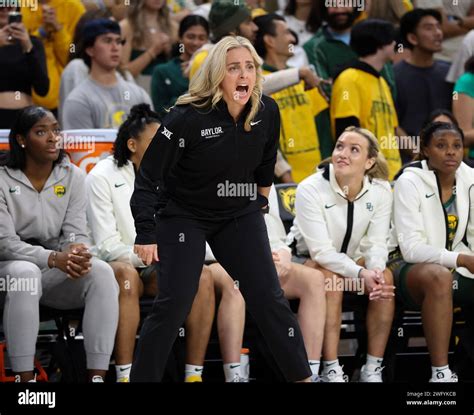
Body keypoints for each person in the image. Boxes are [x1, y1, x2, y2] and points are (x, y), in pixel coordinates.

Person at [130, 35, 312, 382]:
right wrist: (145, 230)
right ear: (217, 76)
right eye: (233, 68)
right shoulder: (185, 118)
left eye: (249, 67)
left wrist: (258, 202)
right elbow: (148, 178)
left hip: (237, 213)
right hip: (184, 214)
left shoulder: (266, 111)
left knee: (269, 299)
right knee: (174, 303)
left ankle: (303, 378)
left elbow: (266, 163)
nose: (243, 75)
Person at [86, 103, 245, 382]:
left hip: (161, 262)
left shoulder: (177, 171)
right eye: (157, 141)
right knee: (127, 278)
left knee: (203, 275)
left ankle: (193, 374)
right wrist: (151, 252)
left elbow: (195, 229)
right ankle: (125, 374)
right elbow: (106, 244)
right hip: (118, 263)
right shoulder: (100, 176)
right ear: (132, 145)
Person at [0, 106, 119, 382]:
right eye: (41, 132)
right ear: (21, 140)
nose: (53, 138)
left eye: (55, 130)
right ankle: (25, 380)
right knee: (25, 273)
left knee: (101, 272)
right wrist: (54, 258)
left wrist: (76, 251)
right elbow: (5, 244)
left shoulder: (74, 176)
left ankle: (97, 376)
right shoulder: (3, 178)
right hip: (8, 273)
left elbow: (75, 232)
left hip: (51, 273)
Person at [288, 127, 395, 382]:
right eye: (339, 146)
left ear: (369, 162)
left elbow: (377, 242)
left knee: (386, 279)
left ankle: (372, 369)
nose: (343, 154)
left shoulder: (380, 191)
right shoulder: (310, 188)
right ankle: (331, 368)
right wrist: (360, 272)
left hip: (351, 262)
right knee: (330, 277)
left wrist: (376, 270)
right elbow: (321, 251)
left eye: (353, 149)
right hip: (304, 260)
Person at [389, 121, 474, 382]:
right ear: (425, 150)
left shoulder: (470, 178)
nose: (451, 152)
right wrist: (461, 259)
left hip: (453, 264)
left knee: (445, 276)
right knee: (439, 278)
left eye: (456, 146)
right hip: (402, 264)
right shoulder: (409, 181)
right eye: (441, 145)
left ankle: (466, 363)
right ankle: (440, 373)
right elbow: (411, 248)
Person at [255, 13, 330, 182]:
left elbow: (322, 125)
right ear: (270, 41)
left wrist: (328, 168)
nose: (293, 39)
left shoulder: (304, 77)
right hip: (281, 179)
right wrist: (283, 175)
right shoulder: (258, 82)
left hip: (317, 174)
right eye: (286, 33)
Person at [330, 19, 401, 180]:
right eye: (391, 40)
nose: (395, 44)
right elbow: (346, 130)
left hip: (392, 174)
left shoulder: (382, 81)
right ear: (381, 44)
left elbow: (392, 130)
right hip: (367, 175)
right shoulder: (349, 78)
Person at [62, 19, 152, 130]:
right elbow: (82, 146)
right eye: (107, 41)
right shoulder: (78, 100)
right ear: (90, 50)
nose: (115, 48)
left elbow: (151, 138)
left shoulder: (139, 94)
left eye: (119, 41)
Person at [395, 9, 452, 163]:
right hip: (409, 162)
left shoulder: (449, 72)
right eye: (429, 28)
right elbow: (393, 125)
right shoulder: (395, 76)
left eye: (438, 27)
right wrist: (418, 154)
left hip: (447, 159)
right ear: (412, 38)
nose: (438, 33)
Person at [21, 0, 86, 113]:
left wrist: (58, 29)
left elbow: (74, 59)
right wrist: (40, 33)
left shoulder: (74, 8)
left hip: (63, 98)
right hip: (24, 98)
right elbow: (13, 54)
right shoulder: (16, 5)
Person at [151, 15, 209, 119]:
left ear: (207, 41)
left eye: (201, 38)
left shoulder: (213, 69)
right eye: (190, 37)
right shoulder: (162, 71)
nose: (196, 43)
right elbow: (161, 112)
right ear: (180, 37)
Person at [0, 6, 49, 128]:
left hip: (25, 118)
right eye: (0, 7)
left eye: (10, 7)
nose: (5, 11)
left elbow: (43, 89)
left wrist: (28, 48)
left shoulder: (33, 42)